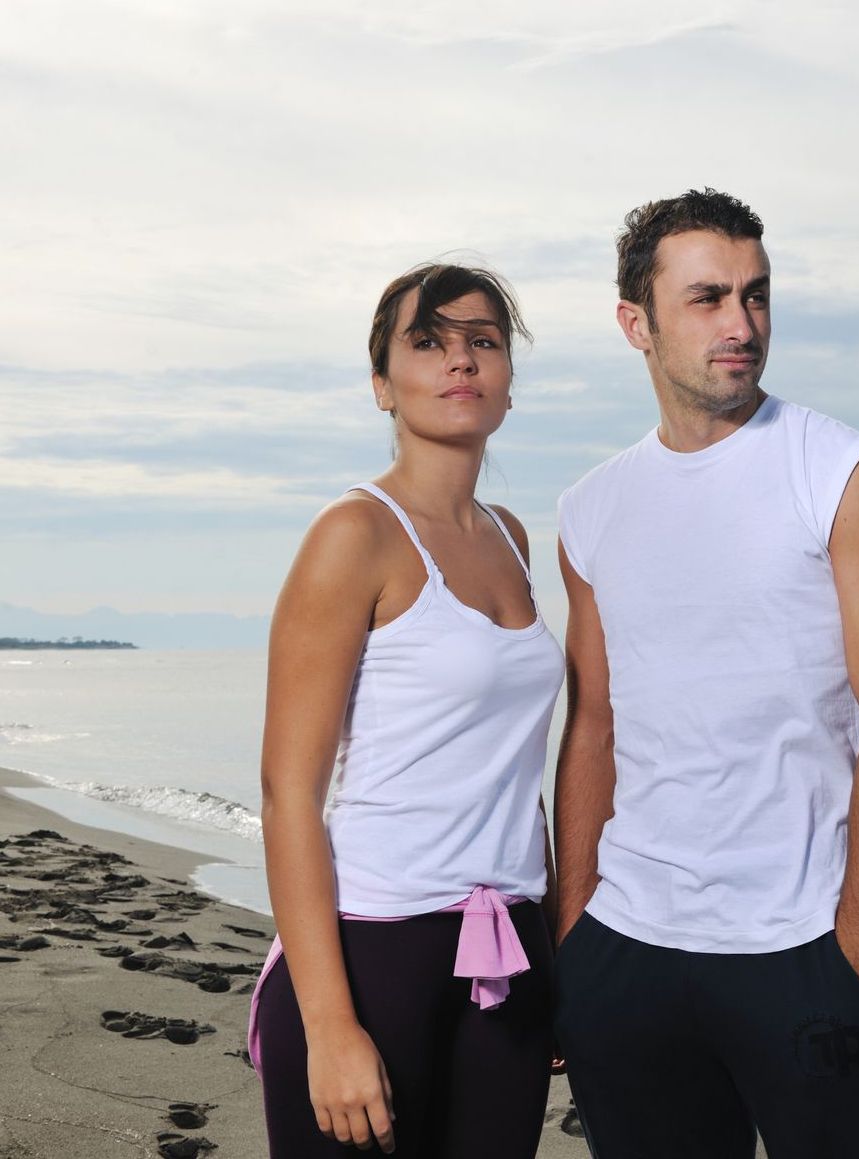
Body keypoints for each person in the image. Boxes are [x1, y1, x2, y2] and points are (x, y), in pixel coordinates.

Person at [553, 189, 859, 1158]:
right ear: (635, 323)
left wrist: (856, 945)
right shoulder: (592, 508)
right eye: (708, 298)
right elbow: (593, 722)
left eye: (756, 296)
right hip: (628, 949)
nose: (741, 325)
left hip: (801, 951)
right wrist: (573, 933)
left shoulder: (846, 475)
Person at [249, 264, 563, 1158]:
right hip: (370, 950)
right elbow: (287, 795)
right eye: (428, 341)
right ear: (383, 383)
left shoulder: (511, 534)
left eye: (484, 341)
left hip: (506, 946)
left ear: (505, 383)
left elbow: (511, 770)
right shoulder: (354, 535)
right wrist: (332, 1026)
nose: (460, 359)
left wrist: (554, 958)